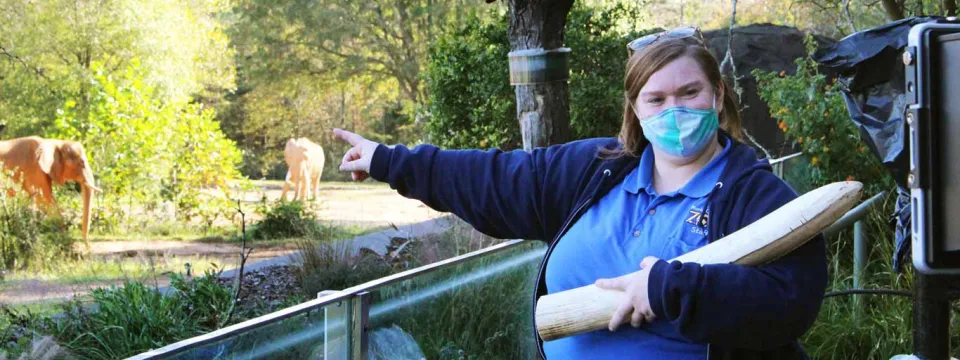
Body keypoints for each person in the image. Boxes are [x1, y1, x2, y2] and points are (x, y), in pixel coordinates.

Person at [333, 27, 827, 360]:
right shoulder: (595, 169)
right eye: (656, 99)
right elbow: (494, 178)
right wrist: (388, 160)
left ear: (717, 96)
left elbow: (789, 301)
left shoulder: (757, 196)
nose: (673, 111)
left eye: (689, 93)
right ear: (636, 109)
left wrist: (669, 290)